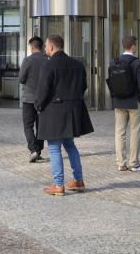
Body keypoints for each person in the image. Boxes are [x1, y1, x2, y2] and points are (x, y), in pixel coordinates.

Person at [35, 35, 95, 196]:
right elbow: (83, 86)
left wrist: (38, 106)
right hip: (73, 111)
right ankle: (78, 180)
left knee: (54, 148)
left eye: (47, 46)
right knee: (70, 145)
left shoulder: (49, 66)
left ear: (52, 47)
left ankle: (58, 184)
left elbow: (43, 90)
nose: (45, 49)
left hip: (54, 111)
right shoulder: (78, 64)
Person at [112, 35, 140, 171]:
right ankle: (133, 162)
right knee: (135, 131)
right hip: (135, 102)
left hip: (119, 101)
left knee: (120, 132)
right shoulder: (137, 63)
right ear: (133, 46)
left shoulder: (114, 61)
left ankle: (120, 163)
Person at [18, 36, 46, 162]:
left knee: (28, 125)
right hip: (43, 99)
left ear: (32, 47)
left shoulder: (28, 60)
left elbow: (21, 79)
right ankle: (38, 150)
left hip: (29, 99)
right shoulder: (47, 60)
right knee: (41, 126)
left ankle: (33, 150)